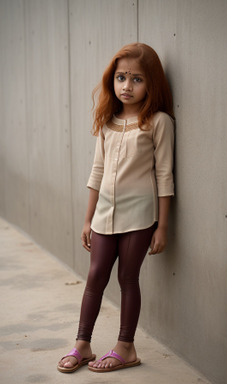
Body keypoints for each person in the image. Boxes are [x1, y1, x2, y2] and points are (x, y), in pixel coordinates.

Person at [57, 42, 175, 373]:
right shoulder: (108, 122)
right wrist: (87, 219)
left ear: (152, 82)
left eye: (137, 79)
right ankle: (83, 344)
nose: (126, 86)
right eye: (121, 77)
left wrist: (162, 226)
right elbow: (97, 172)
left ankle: (127, 346)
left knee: (127, 277)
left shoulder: (158, 122)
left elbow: (165, 176)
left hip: (140, 216)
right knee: (95, 276)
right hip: (103, 215)